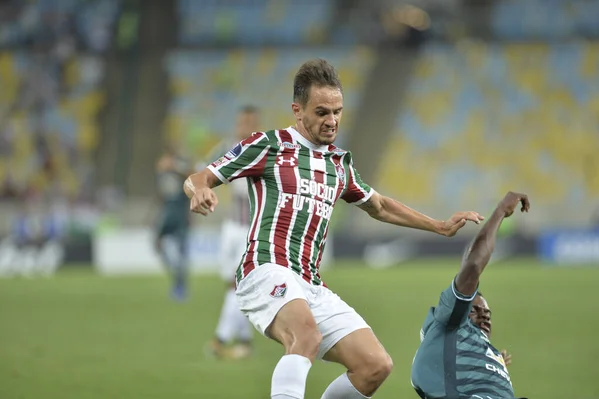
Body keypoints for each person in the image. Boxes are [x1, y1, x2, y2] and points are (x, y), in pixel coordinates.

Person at [184, 58, 484, 399]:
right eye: (322, 112)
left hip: (310, 283)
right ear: (298, 110)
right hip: (265, 269)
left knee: (375, 365)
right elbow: (198, 178)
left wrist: (440, 226)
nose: (332, 121)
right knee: (306, 337)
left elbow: (380, 206)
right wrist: (201, 190)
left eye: (337, 112)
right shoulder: (268, 145)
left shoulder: (339, 164)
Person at [411, 191, 530, 399]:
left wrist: (489, 359)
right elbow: (472, 268)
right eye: (475, 310)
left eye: (488, 313)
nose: (485, 316)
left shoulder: (478, 349)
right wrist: (501, 209)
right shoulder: (451, 324)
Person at [206, 105, 261, 360]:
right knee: (233, 284)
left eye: (249, 122)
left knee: (239, 286)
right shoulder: (229, 146)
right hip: (231, 226)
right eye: (241, 122)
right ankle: (245, 341)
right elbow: (201, 170)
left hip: (250, 227)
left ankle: (220, 338)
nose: (243, 126)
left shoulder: (261, 149)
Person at [154, 145, 194, 301]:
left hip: (181, 215)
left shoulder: (181, 167)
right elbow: (161, 192)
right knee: (158, 246)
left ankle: (180, 287)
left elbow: (191, 176)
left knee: (181, 253)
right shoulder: (162, 170)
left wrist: (175, 168)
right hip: (167, 213)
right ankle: (177, 279)